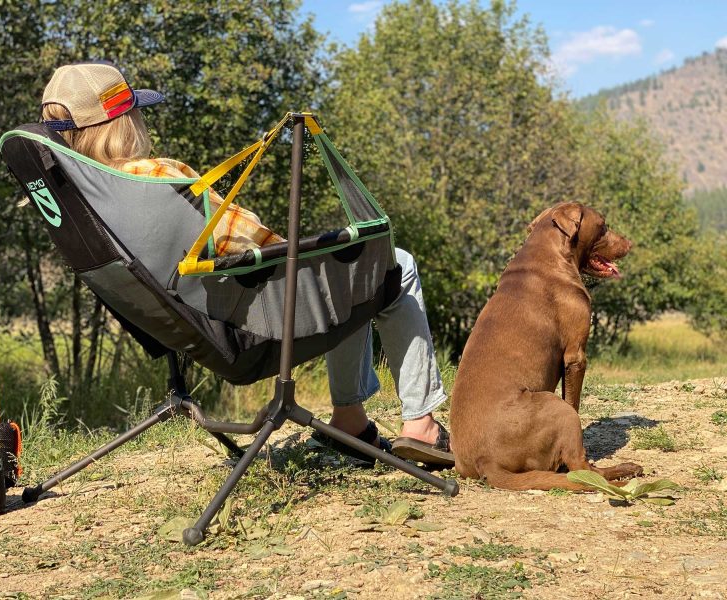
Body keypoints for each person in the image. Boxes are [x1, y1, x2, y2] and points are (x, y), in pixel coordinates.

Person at [40, 61, 453, 466]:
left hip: (196, 322)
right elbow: (252, 237)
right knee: (389, 264)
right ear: (123, 122)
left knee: (345, 273)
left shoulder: (81, 201)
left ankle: (350, 420)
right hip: (253, 327)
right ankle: (420, 425)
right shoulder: (155, 177)